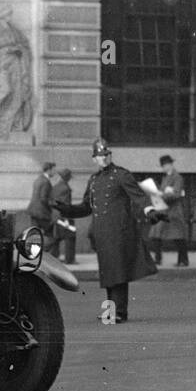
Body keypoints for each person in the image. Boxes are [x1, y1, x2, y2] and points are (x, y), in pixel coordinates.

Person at [55, 138, 161, 323]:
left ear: (110, 155)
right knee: (108, 272)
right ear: (94, 159)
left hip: (119, 231)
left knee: (118, 271)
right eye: (99, 156)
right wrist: (67, 210)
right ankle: (111, 311)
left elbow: (138, 196)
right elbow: (87, 207)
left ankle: (119, 312)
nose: (102, 159)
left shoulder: (121, 175)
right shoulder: (94, 180)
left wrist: (149, 210)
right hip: (102, 233)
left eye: (105, 155)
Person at [148, 154, 189, 267]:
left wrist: (163, 194)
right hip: (163, 210)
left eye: (166, 165)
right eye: (163, 166)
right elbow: (163, 191)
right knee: (156, 234)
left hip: (174, 211)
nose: (165, 167)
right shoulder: (165, 178)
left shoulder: (177, 177)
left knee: (178, 237)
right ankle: (158, 258)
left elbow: (176, 194)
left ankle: (183, 260)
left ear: (171, 165)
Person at [50, 167, 77, 264]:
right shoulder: (66, 188)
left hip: (55, 216)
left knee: (56, 237)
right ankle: (69, 259)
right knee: (70, 236)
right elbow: (66, 205)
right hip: (63, 216)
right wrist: (67, 220)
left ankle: (53, 258)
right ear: (67, 178)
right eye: (69, 177)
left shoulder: (55, 186)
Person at [27, 161, 57, 244]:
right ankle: (47, 254)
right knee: (50, 235)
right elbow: (44, 198)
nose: (55, 172)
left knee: (34, 234)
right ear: (49, 170)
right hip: (42, 212)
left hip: (33, 211)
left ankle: (33, 253)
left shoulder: (38, 179)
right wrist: (52, 207)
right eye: (54, 170)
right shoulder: (46, 182)